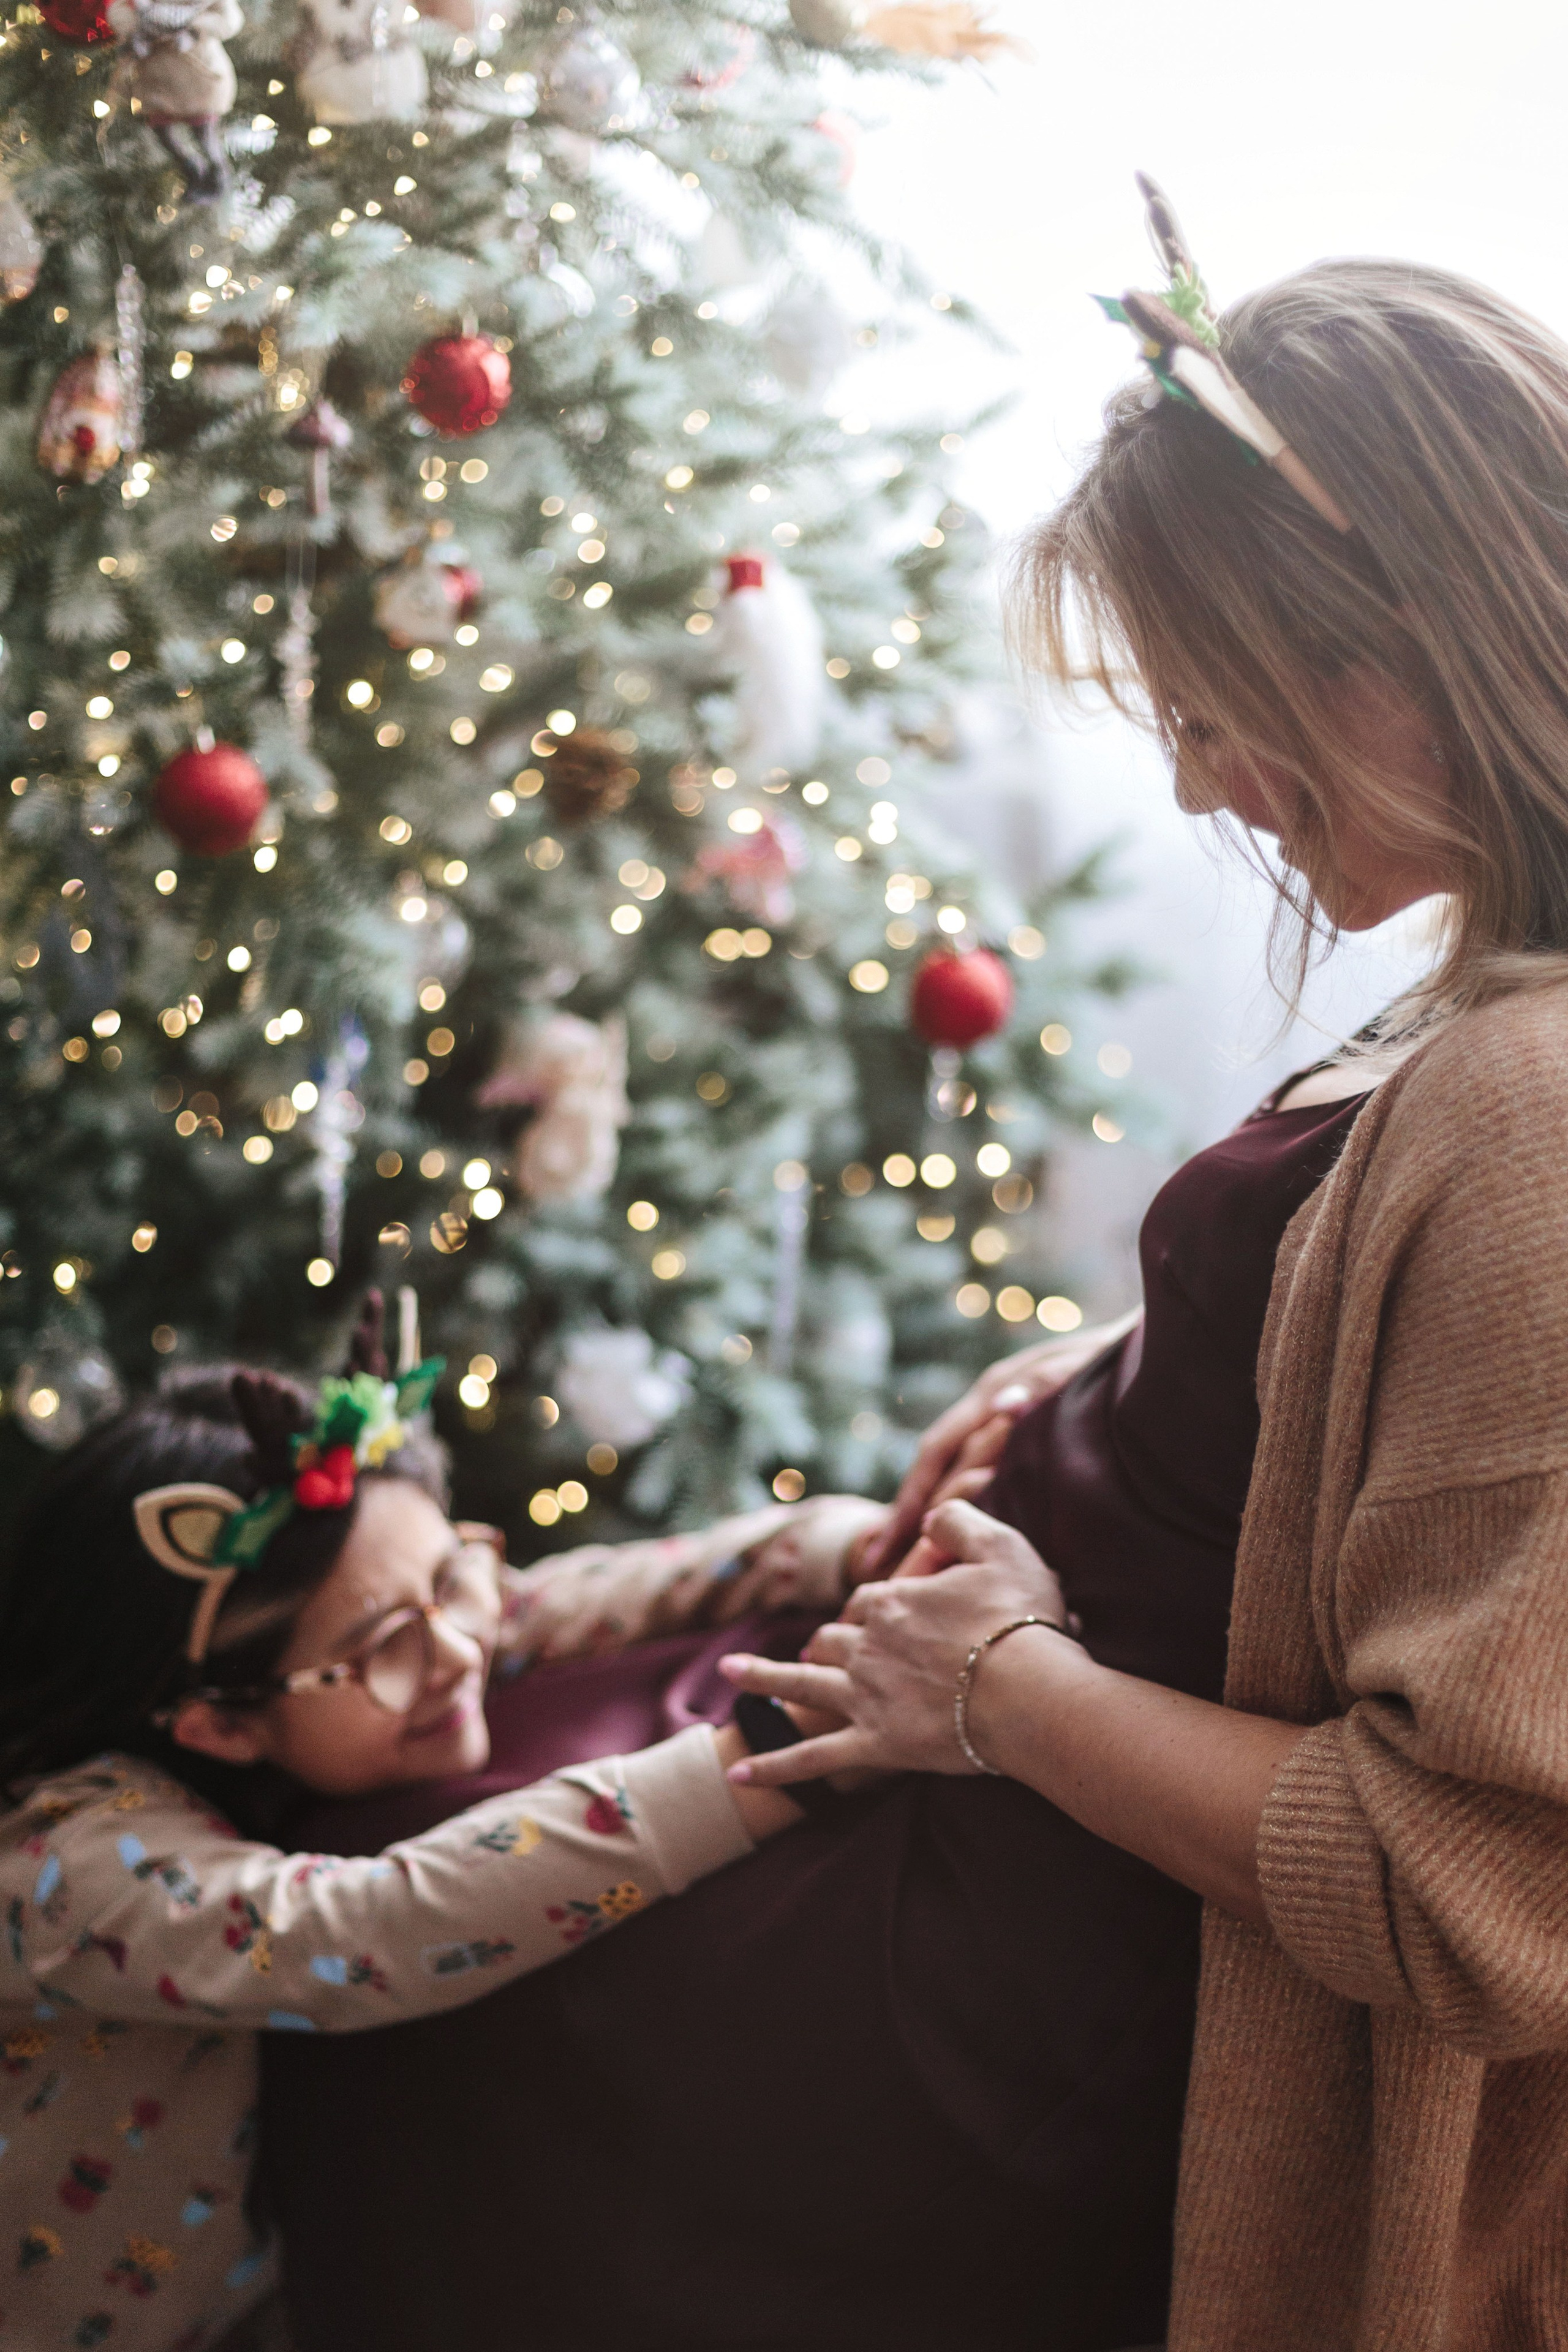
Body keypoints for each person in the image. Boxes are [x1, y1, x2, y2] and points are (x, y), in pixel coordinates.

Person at [723, 197, 1568, 2350]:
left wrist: (999, 1689)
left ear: (1401, 648)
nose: (1193, 777)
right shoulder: (1485, 984)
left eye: (1215, 709)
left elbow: (1479, 1889)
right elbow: (1402, 1328)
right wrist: (1112, 1363)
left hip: (1075, 1980)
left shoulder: (1538, 1110)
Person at [0, 1297, 815, 2352]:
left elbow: (546, 1603)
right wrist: (755, 1759)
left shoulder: (382, 1654)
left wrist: (835, 1542)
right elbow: (362, 1930)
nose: (461, 1653)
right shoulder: (72, 1871)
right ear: (218, 1726)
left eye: (451, 1580)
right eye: (390, 1645)